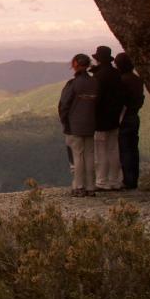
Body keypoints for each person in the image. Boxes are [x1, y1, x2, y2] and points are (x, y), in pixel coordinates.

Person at [59, 53, 97, 196]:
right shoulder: (94, 82)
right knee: (89, 154)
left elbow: (64, 105)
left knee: (78, 155)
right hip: (91, 122)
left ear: (75, 64)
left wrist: (64, 121)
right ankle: (91, 187)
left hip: (75, 124)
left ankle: (79, 186)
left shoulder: (73, 84)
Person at [90, 45, 124, 190]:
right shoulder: (117, 74)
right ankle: (115, 181)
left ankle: (102, 181)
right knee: (113, 149)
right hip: (114, 117)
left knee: (100, 151)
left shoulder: (99, 76)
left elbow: (96, 98)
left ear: (98, 60)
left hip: (101, 119)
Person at [115, 52, 145, 189]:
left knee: (125, 149)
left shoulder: (122, 81)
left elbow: (120, 101)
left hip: (124, 117)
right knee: (133, 149)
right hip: (134, 116)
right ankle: (134, 179)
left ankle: (127, 180)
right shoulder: (137, 80)